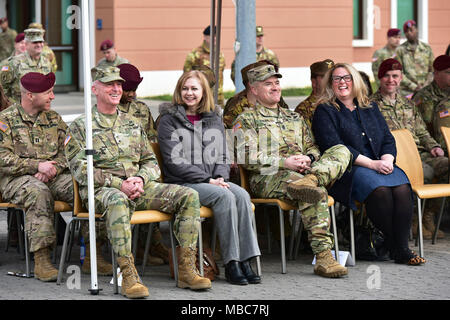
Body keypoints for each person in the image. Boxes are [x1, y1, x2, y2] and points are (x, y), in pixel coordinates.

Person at [65, 66, 211, 299]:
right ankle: (128, 274)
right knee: (117, 200)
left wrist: (141, 179)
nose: (116, 89)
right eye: (109, 84)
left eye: (119, 85)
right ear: (94, 89)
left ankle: (186, 270)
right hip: (104, 191)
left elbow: (151, 162)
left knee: (188, 196)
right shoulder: (82, 126)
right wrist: (118, 183)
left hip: (139, 187)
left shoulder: (132, 124)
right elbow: (81, 170)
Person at [233, 64, 351, 278]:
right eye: (268, 84)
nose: (275, 87)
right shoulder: (246, 120)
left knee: (341, 151)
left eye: (277, 83)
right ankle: (324, 257)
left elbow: (313, 147)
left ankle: (313, 178)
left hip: (304, 172)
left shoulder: (293, 118)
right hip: (268, 177)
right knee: (315, 192)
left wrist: (309, 158)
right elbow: (246, 157)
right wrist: (285, 163)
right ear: (253, 89)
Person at [312, 62, 426, 265]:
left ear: (354, 80)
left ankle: (397, 245)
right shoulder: (325, 111)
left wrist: (387, 158)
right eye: (336, 79)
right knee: (380, 190)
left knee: (402, 188)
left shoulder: (369, 106)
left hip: (380, 163)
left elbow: (387, 139)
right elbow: (335, 146)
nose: (342, 82)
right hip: (349, 168)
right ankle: (398, 247)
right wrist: (372, 165)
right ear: (330, 84)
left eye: (346, 77)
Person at [157, 70, 261, 285]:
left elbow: (223, 154)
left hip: (213, 181)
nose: (189, 93)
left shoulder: (213, 118)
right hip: (183, 183)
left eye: (194, 88)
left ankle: (247, 260)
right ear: (179, 91)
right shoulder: (168, 121)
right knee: (224, 197)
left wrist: (221, 177)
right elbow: (174, 161)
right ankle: (232, 263)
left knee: (241, 194)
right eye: (185, 88)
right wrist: (208, 180)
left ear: (204, 92)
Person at [0, 72, 73, 281]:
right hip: (15, 180)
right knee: (37, 192)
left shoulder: (54, 119)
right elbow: (2, 158)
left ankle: (93, 253)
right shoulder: (6, 121)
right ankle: (42, 260)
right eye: (48, 92)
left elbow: (70, 151)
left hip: (52, 175)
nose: (53, 96)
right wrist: (36, 166)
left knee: (81, 187)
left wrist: (52, 168)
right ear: (30, 95)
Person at [371, 58, 447, 240]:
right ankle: (412, 218)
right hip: (393, 157)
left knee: (446, 165)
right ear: (380, 78)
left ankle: (428, 213)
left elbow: (421, 132)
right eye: (387, 76)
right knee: (425, 172)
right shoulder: (371, 105)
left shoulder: (409, 104)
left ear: (401, 78)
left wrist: (434, 147)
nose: (391, 80)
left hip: (419, 153)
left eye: (395, 76)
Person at [116, 63, 168, 266]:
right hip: (118, 171)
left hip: (141, 170)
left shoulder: (141, 110)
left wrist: (144, 173)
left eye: (134, 90)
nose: (131, 94)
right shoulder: (109, 108)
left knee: (153, 186)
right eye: (127, 90)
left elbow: (152, 143)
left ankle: (151, 243)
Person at [223, 60, 289, 129]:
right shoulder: (236, 105)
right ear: (253, 86)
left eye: (276, 82)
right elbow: (229, 132)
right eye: (267, 83)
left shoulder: (274, 97)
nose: (275, 88)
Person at [0, 28, 52, 104]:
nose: (39, 45)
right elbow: (3, 89)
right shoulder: (13, 63)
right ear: (26, 44)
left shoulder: (46, 63)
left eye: (41, 42)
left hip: (41, 110)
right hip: (18, 110)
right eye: (35, 42)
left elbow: (49, 88)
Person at [413, 54, 450, 153]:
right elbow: (420, 129)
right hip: (439, 149)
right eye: (448, 72)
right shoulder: (423, 97)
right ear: (436, 73)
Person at [183, 26, 225, 107]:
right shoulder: (194, 55)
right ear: (205, 37)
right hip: (201, 97)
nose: (215, 38)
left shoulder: (220, 54)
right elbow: (187, 76)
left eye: (217, 36)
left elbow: (221, 72)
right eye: (212, 36)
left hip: (218, 96)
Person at [396, 20, 434, 98]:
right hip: (407, 92)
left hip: (426, 91)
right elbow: (398, 72)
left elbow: (432, 70)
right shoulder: (400, 50)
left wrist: (425, 86)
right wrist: (414, 87)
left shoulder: (427, 48)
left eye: (411, 30)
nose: (409, 33)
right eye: (406, 31)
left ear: (417, 30)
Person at [294, 59, 334, 129]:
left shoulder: (338, 102)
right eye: (325, 77)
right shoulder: (303, 110)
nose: (331, 80)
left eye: (332, 76)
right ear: (314, 82)